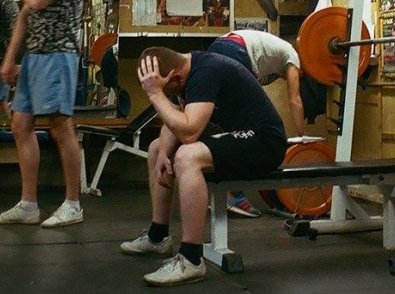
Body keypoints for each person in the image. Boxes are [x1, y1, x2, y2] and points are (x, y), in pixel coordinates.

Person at [120, 47, 287, 287]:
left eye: (168, 90)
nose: (166, 95)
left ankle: (191, 258)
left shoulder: (206, 71)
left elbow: (188, 133)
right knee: (157, 148)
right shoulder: (186, 74)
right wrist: (164, 154)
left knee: (188, 155)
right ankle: (158, 237)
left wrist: (156, 95)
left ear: (176, 77)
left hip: (265, 143)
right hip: (238, 136)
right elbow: (174, 118)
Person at [0, 0, 86, 228]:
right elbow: (25, 16)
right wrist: (9, 58)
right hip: (33, 55)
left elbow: (38, 2)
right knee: (20, 126)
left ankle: (73, 203)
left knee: (60, 126)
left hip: (59, 53)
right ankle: (29, 203)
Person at [207, 30, 304, 217]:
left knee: (225, 122)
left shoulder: (273, 57)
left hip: (217, 46)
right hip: (235, 51)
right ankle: (235, 195)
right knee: (249, 130)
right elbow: (295, 99)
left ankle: (220, 186)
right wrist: (302, 136)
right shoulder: (293, 55)